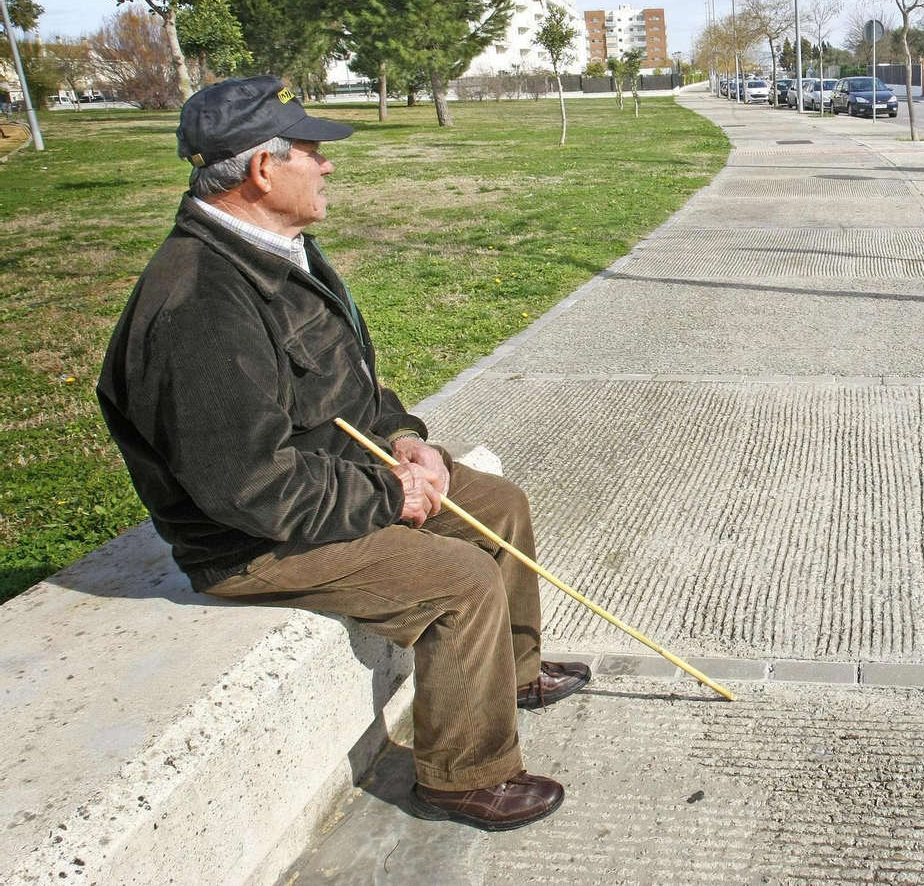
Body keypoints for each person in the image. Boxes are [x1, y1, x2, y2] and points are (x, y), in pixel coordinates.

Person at [97, 76, 589, 831]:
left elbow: (347, 385)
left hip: (329, 482)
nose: (327, 165)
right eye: (312, 151)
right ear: (263, 170)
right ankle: (462, 774)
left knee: (498, 502)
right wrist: (392, 497)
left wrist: (406, 441)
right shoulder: (198, 304)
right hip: (251, 542)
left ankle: (511, 673)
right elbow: (251, 490)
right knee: (460, 577)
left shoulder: (275, 249)